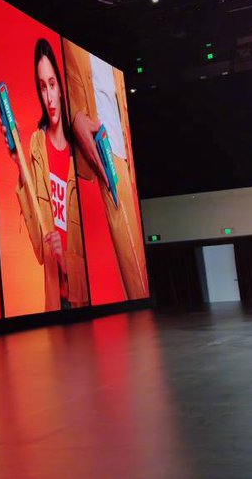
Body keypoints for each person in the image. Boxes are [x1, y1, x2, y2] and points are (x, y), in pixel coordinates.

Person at [62, 42, 148, 300]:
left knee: (134, 253)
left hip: (121, 148)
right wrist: (74, 117)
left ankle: (140, 309)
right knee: (126, 252)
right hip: (97, 143)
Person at [8, 38, 88, 311]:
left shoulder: (79, 153)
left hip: (83, 297)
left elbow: (94, 246)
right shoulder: (37, 145)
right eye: (43, 87)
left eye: (52, 84)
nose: (49, 97)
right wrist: (19, 163)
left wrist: (66, 259)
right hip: (55, 297)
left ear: (61, 88)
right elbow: (39, 246)